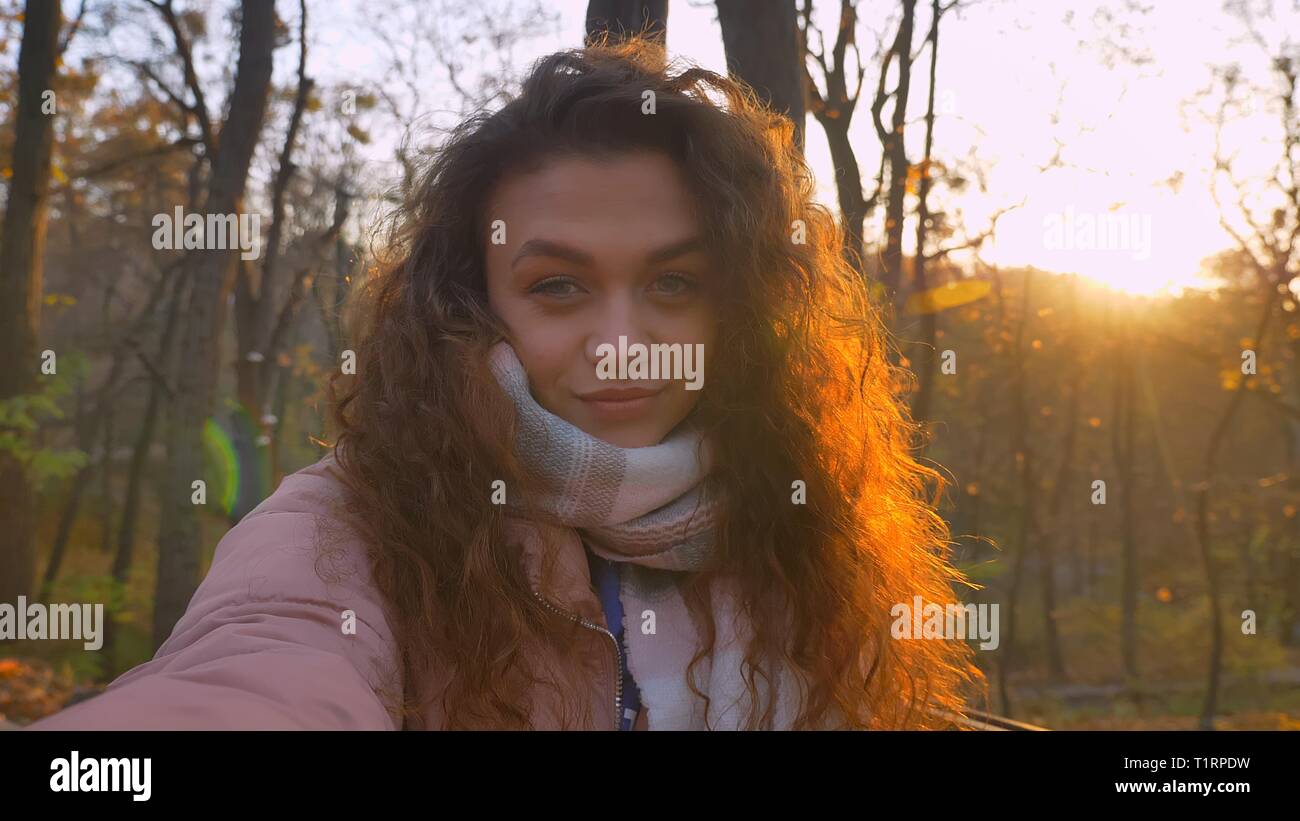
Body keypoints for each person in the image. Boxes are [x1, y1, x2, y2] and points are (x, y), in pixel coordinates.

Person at [29, 38, 980, 731]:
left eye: (675, 283)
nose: (622, 345)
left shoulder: (807, 518)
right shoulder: (348, 528)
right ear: (472, 300)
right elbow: (255, 675)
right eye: (557, 285)